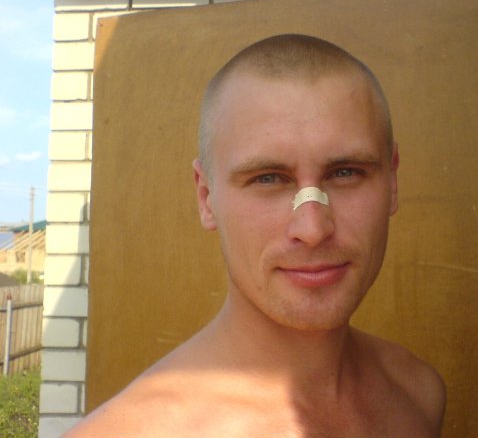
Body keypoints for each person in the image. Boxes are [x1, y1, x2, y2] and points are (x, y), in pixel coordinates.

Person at [66, 34, 446, 437]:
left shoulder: (416, 393)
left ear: (392, 182)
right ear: (206, 197)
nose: (313, 229)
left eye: (346, 172)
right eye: (268, 178)